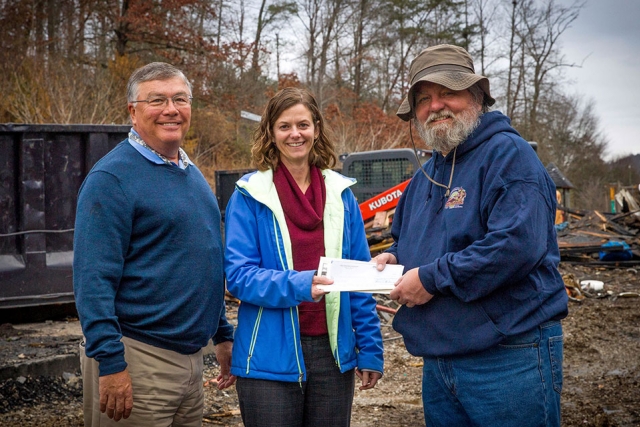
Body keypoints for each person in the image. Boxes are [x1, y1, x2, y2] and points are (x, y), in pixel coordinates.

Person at [375, 44, 569, 426]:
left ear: (476, 96)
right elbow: (409, 240)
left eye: (448, 92)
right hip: (441, 357)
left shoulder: (508, 156)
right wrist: (394, 259)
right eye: (424, 98)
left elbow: (516, 245)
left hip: (509, 354)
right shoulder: (424, 177)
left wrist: (430, 278)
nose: (436, 106)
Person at [73, 62, 235, 427]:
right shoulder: (111, 179)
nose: (171, 109)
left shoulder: (190, 174)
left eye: (180, 99)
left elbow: (205, 261)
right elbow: (92, 280)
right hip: (139, 358)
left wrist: (222, 333)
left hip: (192, 361)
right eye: (157, 100)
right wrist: (112, 364)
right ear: (133, 110)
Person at [224, 87, 384, 427]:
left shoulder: (341, 195)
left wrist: (369, 348)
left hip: (332, 354)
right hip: (269, 356)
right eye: (284, 126)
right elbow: (238, 276)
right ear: (270, 133)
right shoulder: (250, 195)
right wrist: (301, 284)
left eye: (303, 125)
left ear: (316, 129)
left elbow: (358, 278)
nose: (295, 134)